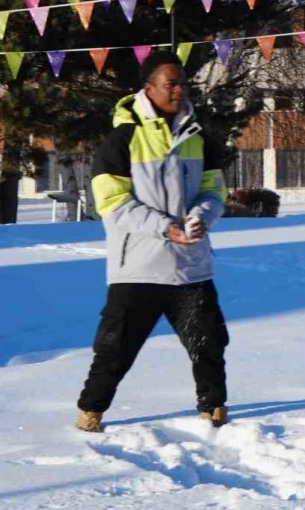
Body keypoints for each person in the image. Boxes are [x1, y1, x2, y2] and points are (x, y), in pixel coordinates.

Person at [75, 51, 230, 432]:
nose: (179, 90)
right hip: (138, 268)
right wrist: (165, 227)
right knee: (114, 348)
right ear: (148, 88)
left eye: (183, 83)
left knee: (209, 344)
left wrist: (201, 217)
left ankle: (214, 411)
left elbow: (214, 191)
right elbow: (112, 204)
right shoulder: (121, 139)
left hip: (191, 266)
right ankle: (91, 412)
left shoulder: (198, 136)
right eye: (170, 84)